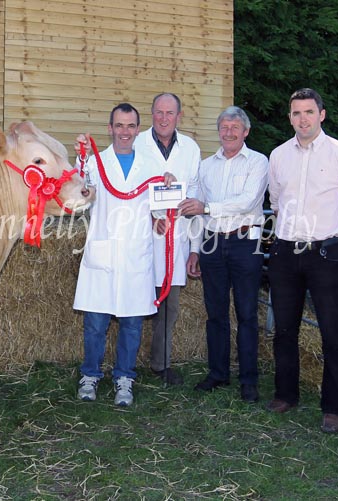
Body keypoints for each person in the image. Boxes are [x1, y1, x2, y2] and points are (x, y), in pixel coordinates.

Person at [267, 88, 338, 434]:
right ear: (290, 117)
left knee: (334, 333)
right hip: (285, 253)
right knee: (284, 330)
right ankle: (286, 394)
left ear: (321, 114)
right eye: (296, 113)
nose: (303, 119)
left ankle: (334, 409)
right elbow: (277, 201)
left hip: (326, 254)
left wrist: (335, 239)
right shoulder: (279, 155)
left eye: (309, 112)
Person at [73, 102, 174, 406]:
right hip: (103, 253)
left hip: (135, 256)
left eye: (130, 126)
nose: (125, 132)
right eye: (119, 125)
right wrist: (79, 160)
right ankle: (90, 375)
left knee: (131, 324)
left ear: (138, 129)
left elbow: (158, 214)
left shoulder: (152, 168)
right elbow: (79, 196)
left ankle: (124, 379)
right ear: (110, 128)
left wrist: (164, 207)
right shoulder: (94, 164)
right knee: (95, 323)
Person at [178, 106, 268, 403]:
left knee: (246, 313)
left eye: (235, 127)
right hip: (211, 244)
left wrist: (206, 208)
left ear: (246, 132)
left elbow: (247, 201)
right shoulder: (206, 166)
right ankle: (217, 373)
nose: (229, 132)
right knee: (215, 313)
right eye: (224, 127)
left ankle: (248, 379)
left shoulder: (258, 162)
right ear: (219, 131)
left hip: (245, 242)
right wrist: (194, 249)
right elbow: (195, 211)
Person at [134, 93, 202, 385]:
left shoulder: (190, 149)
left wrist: (195, 249)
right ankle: (126, 365)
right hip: (141, 237)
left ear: (179, 115)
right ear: (152, 114)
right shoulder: (136, 144)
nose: (164, 118)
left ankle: (160, 364)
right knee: (134, 302)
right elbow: (128, 192)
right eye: (159, 112)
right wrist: (149, 217)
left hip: (178, 238)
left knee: (168, 308)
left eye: (169, 113)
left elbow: (197, 199)